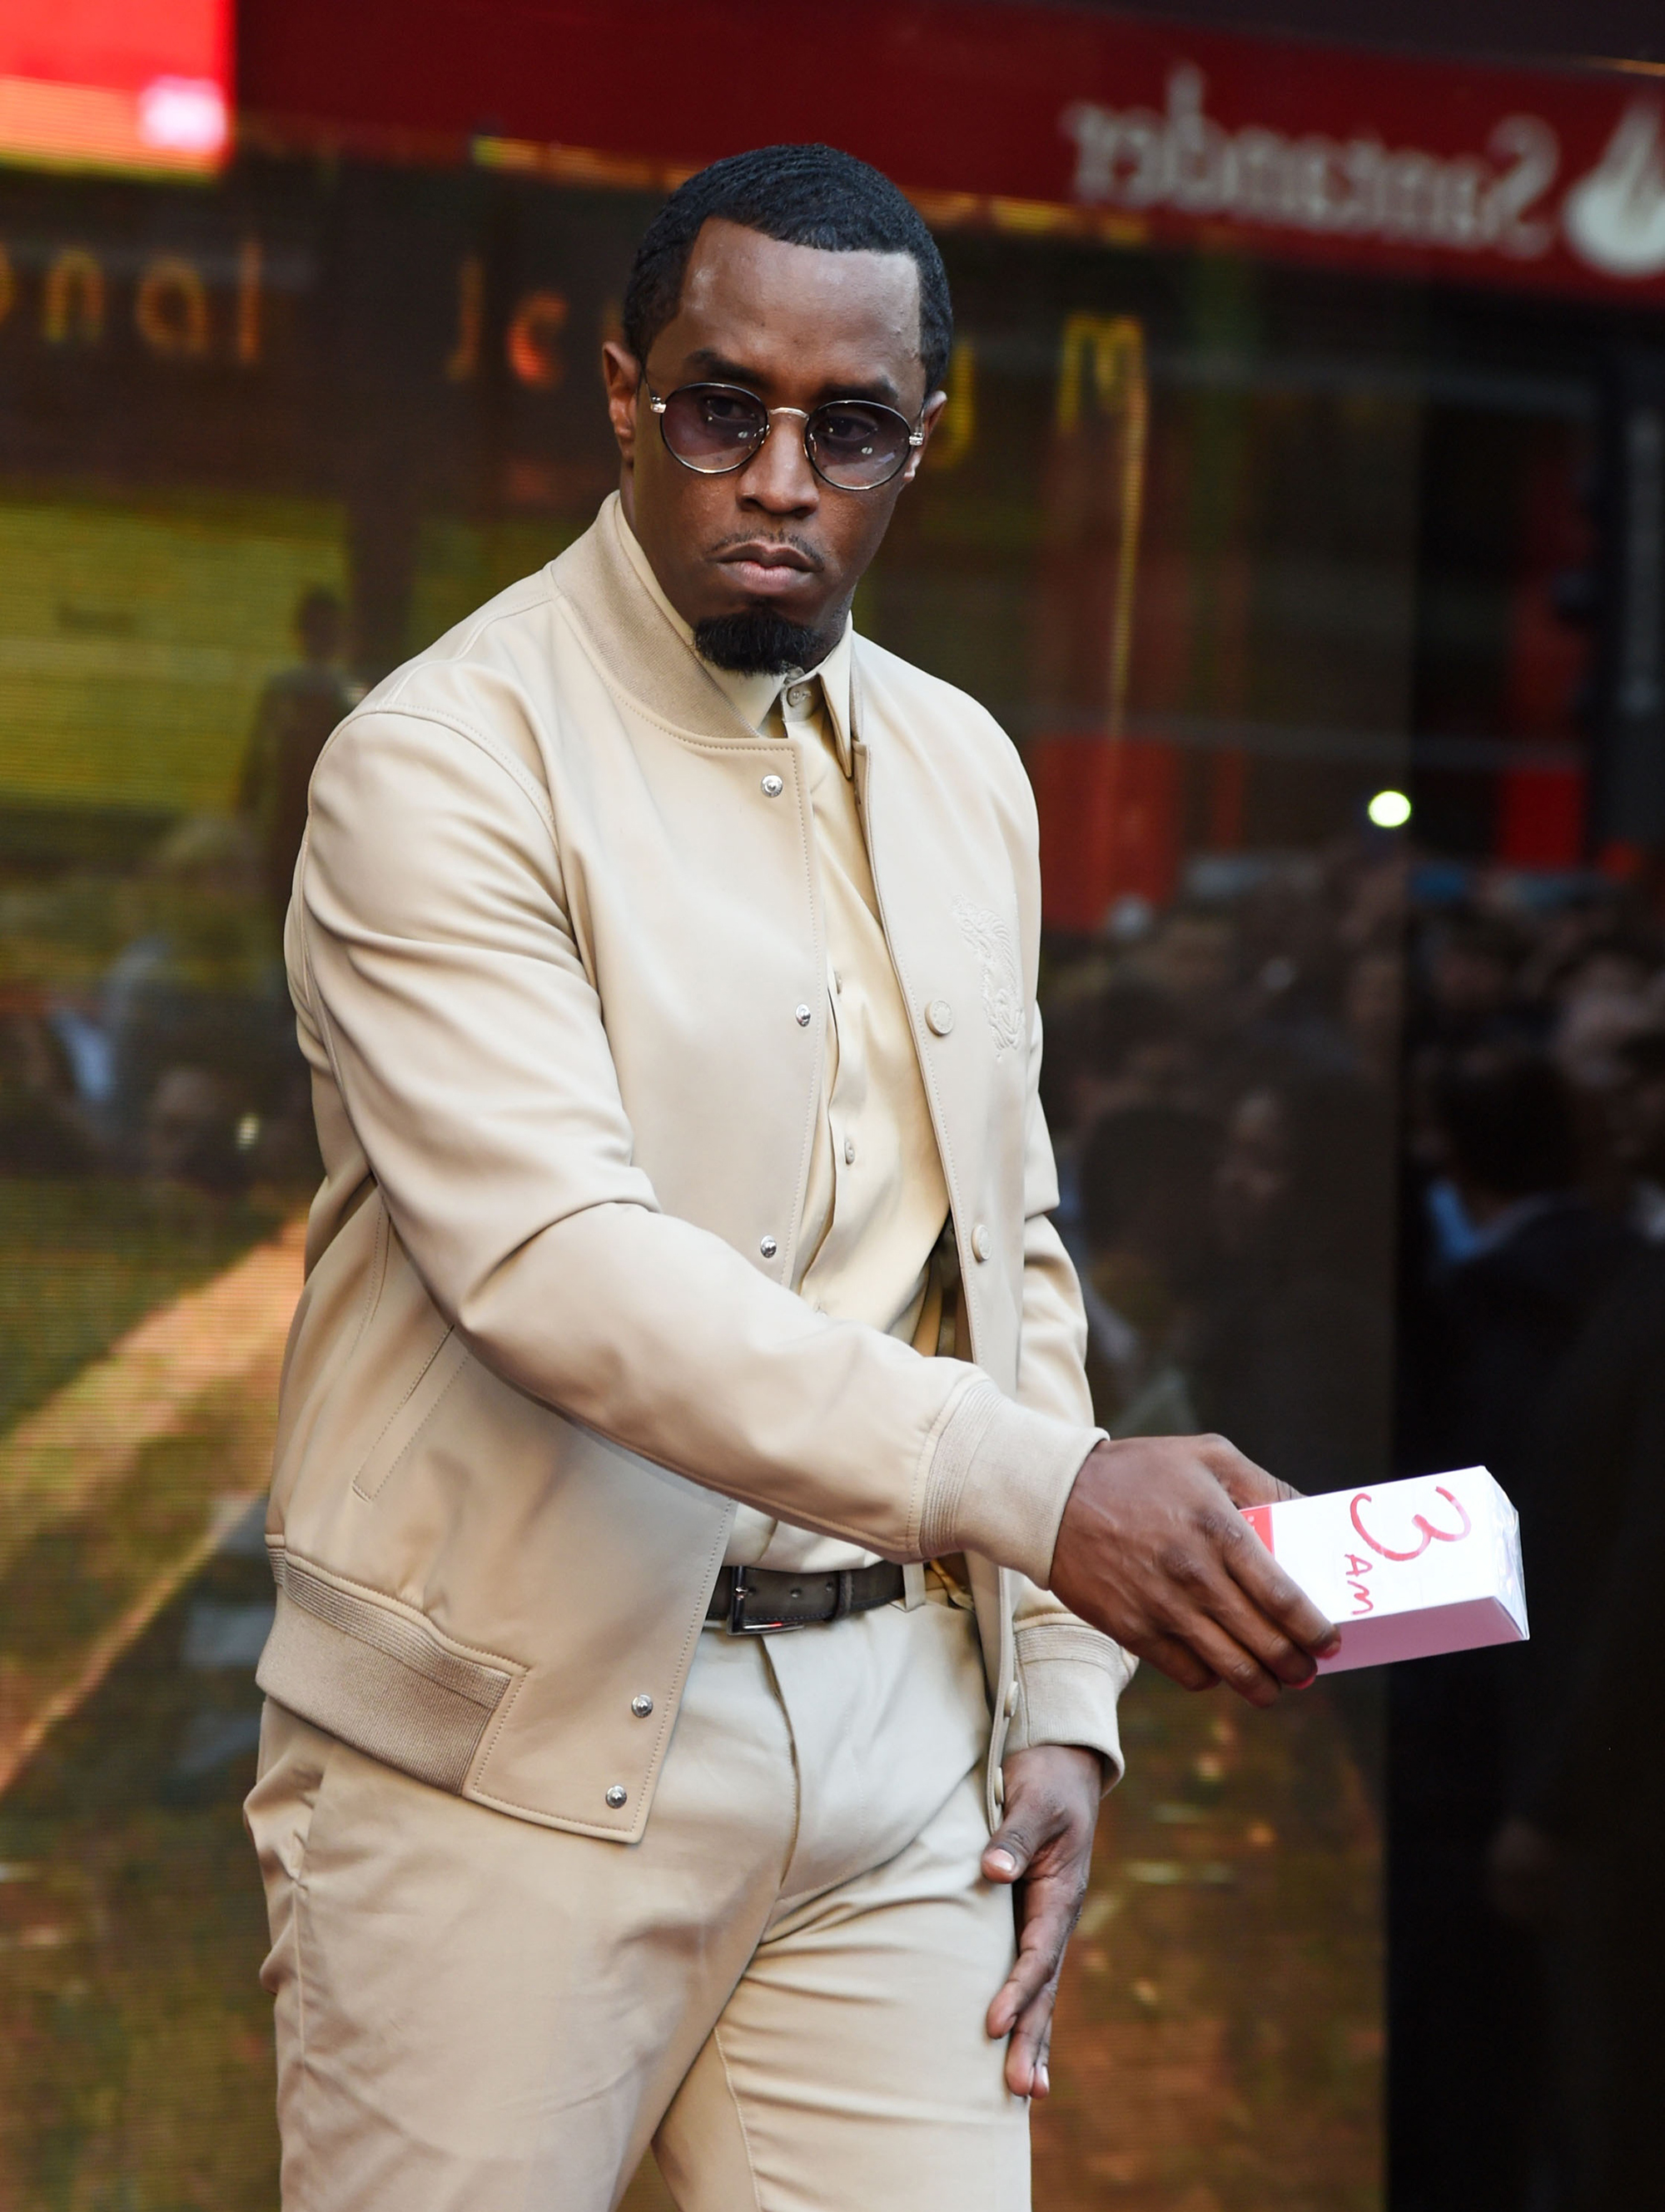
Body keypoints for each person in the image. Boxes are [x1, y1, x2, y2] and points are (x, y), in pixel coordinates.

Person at [244, 144, 1335, 2212]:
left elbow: (1002, 1255)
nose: (772, 476)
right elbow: (563, 1268)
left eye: (844, 427)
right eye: (714, 405)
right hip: (500, 1753)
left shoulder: (962, 768)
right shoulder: (438, 761)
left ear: (920, 443)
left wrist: (1062, 1695)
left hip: (897, 1751)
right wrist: (1048, 1497)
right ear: (618, 399)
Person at [238, 588, 358, 932]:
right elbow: (258, 762)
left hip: (325, 820)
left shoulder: (344, 695)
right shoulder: (288, 691)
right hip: (285, 822)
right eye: (317, 630)